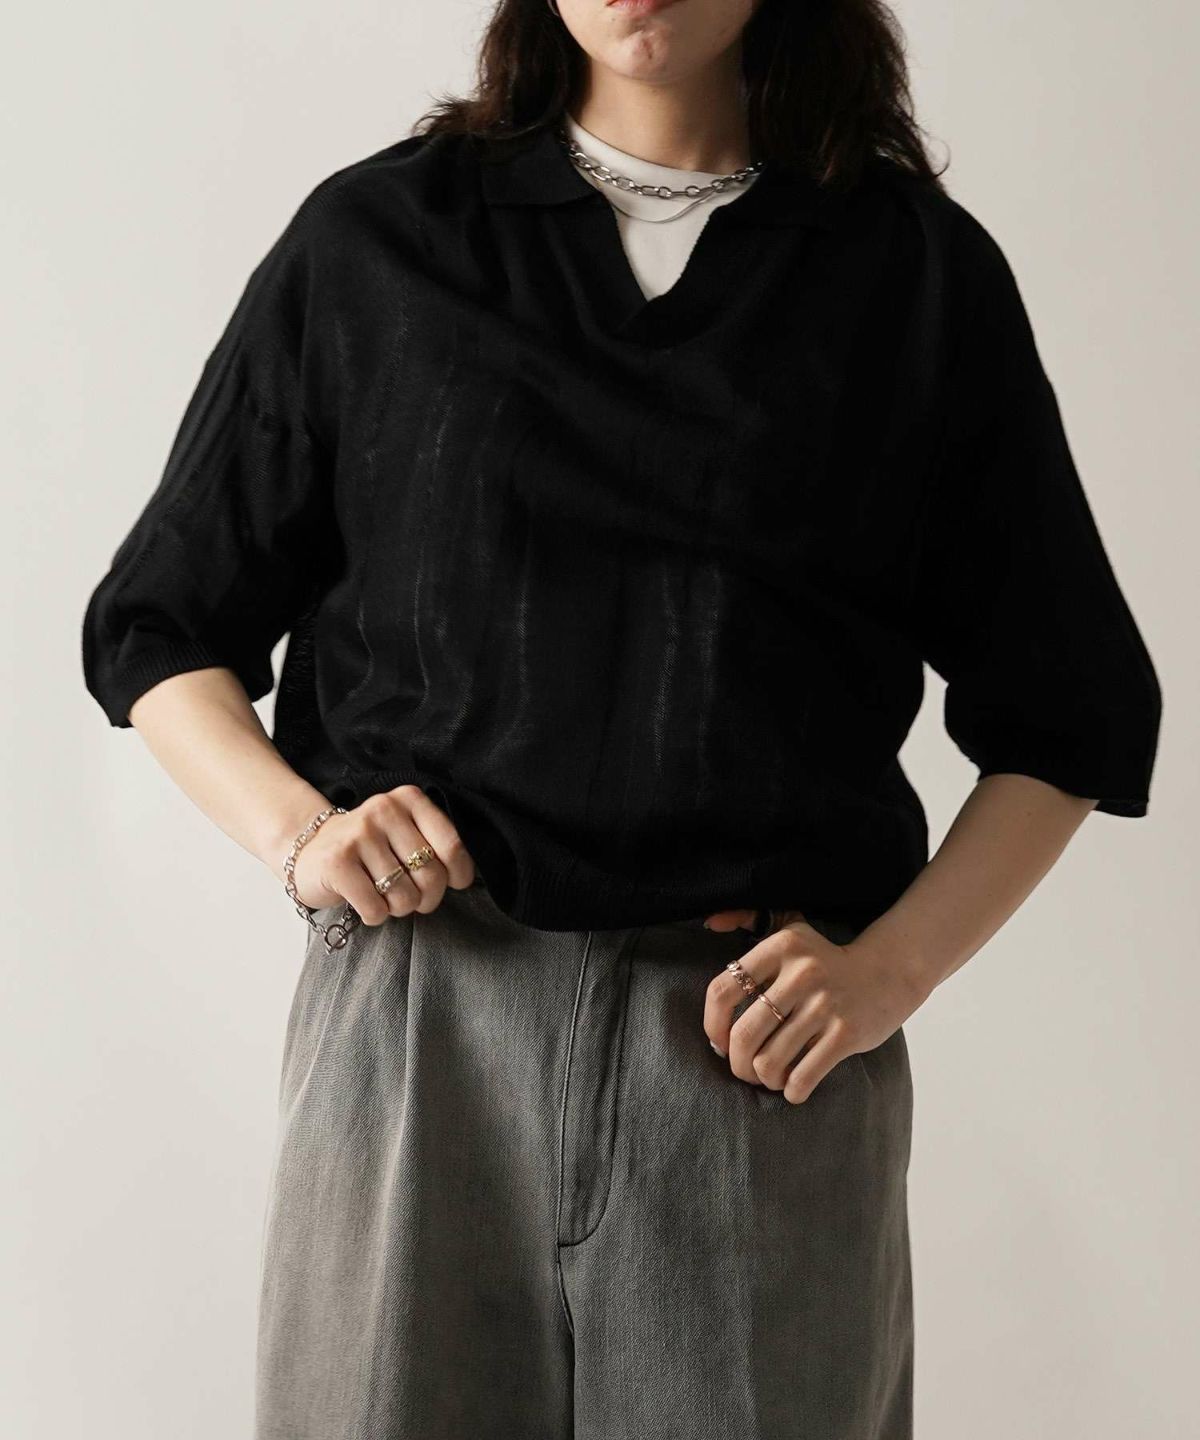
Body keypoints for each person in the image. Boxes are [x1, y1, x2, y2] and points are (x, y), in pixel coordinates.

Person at [79, 1, 1162, 1436]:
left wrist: (890, 974)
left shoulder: (910, 276)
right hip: (419, 1022)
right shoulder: (381, 243)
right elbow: (162, 622)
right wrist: (299, 834)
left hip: (755, 1049)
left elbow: (1072, 710)